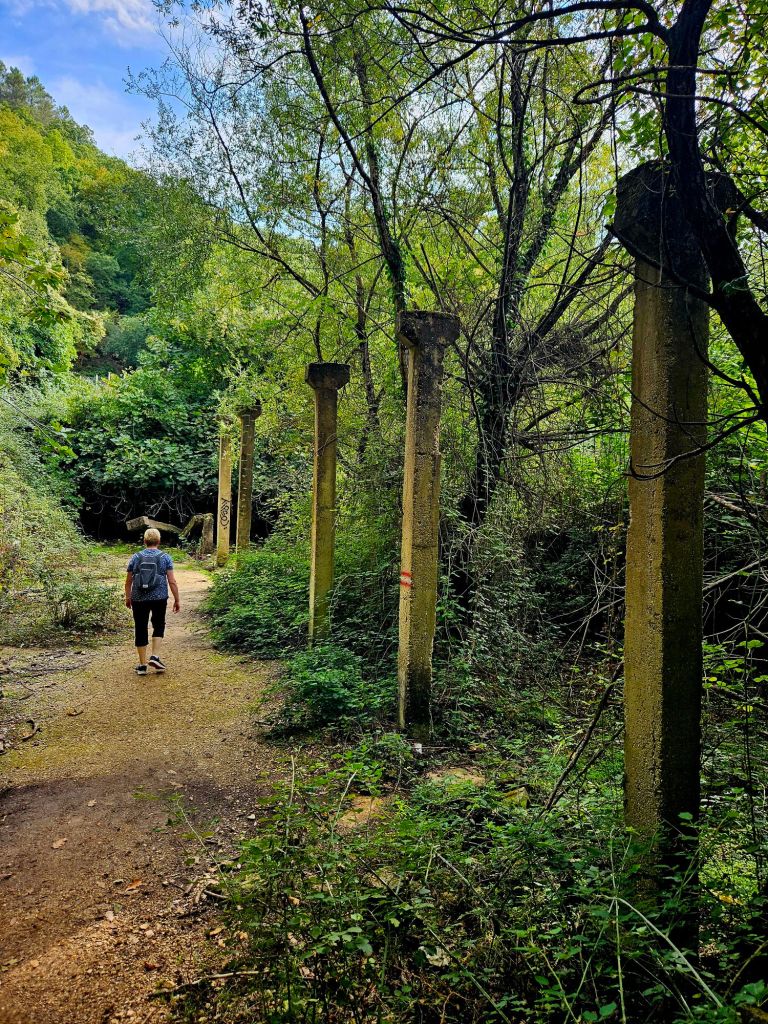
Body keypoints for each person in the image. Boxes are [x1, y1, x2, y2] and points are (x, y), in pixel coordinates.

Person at [124, 528, 180, 676]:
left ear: (144, 541)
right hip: (159, 597)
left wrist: (128, 597)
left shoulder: (136, 557)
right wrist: (177, 599)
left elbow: (128, 581)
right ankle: (155, 656)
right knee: (159, 624)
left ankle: (142, 665)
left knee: (140, 627)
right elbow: (172, 581)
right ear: (159, 541)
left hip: (138, 598)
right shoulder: (165, 557)